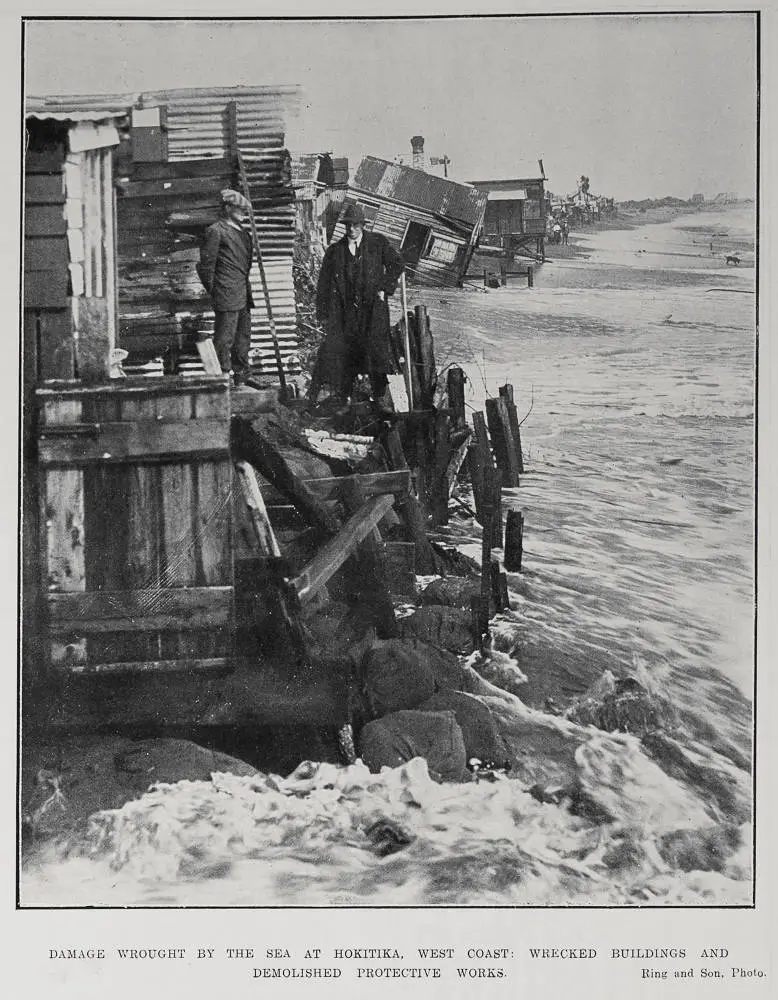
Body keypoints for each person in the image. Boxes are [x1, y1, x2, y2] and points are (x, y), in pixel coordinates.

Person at [313, 202, 405, 406]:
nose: (351, 229)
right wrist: (323, 314)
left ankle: (381, 398)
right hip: (346, 312)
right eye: (348, 226)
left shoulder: (377, 244)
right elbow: (323, 284)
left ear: (363, 225)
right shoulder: (335, 251)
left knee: (375, 352)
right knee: (346, 352)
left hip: (372, 310)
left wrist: (384, 287)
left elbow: (397, 264)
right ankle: (346, 397)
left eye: (355, 225)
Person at [197, 189, 255, 384]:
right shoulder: (216, 231)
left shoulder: (244, 234)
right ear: (227, 208)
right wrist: (216, 290)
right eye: (239, 209)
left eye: (244, 210)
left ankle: (242, 378)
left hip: (243, 293)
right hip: (226, 294)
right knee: (224, 339)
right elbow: (206, 267)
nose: (243, 213)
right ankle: (223, 378)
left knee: (242, 338)